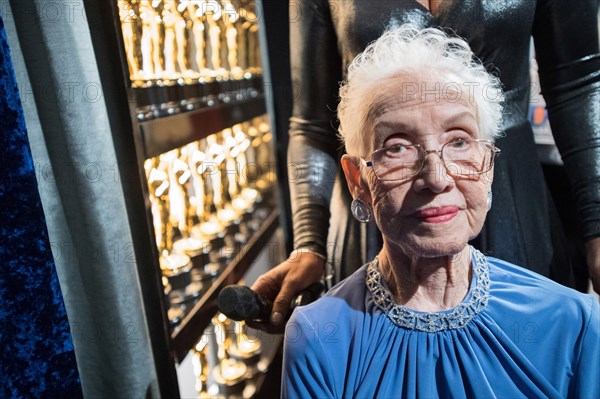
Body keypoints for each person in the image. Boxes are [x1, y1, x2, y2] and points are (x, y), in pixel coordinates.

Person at [281, 25, 600, 398]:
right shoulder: (317, 337)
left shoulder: (571, 322)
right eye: (397, 148)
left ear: (489, 163)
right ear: (358, 180)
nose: (436, 178)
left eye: (460, 141)